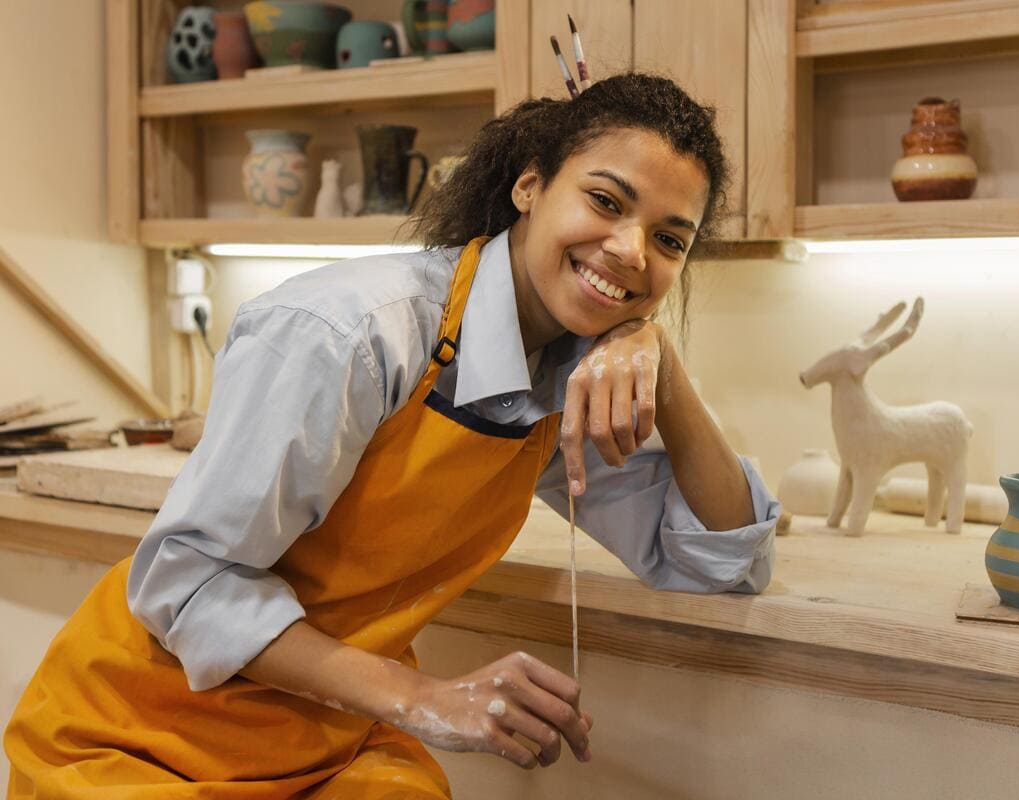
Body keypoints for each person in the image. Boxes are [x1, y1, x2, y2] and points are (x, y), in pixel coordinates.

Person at [5, 72, 780, 798]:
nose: (630, 251)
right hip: (135, 735)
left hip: (324, 740)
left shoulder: (569, 376)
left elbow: (723, 557)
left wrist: (664, 362)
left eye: (670, 240)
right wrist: (424, 697)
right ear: (530, 184)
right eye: (607, 201)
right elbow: (188, 584)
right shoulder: (343, 333)